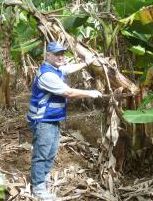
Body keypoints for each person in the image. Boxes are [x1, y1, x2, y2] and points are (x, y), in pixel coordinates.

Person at [27, 41, 102, 200]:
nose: (61, 57)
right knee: (42, 153)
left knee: (51, 151)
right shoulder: (47, 74)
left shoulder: (56, 69)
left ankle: (43, 178)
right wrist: (90, 93)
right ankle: (38, 188)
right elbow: (68, 92)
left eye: (62, 54)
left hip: (52, 119)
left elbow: (68, 68)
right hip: (43, 120)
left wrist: (85, 63)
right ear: (48, 55)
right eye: (56, 54)